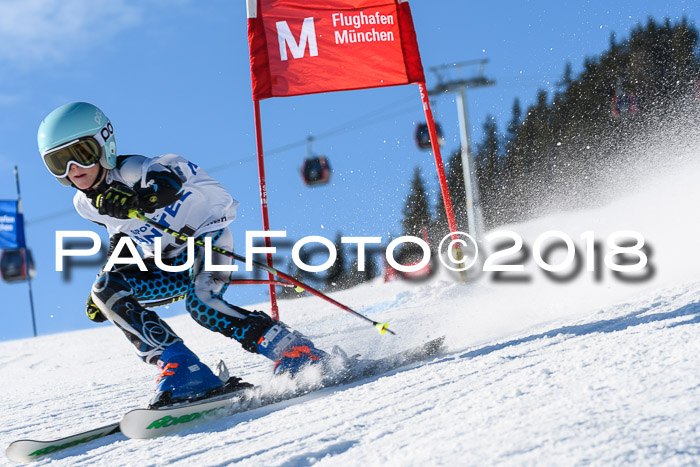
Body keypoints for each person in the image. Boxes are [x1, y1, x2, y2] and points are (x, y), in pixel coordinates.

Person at [37, 102, 328, 408]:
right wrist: (103, 289)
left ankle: (294, 350)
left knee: (202, 304)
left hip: (206, 237)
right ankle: (183, 367)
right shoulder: (85, 204)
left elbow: (168, 185)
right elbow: (120, 238)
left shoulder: (132, 169)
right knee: (105, 291)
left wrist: (139, 199)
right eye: (59, 163)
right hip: (169, 263)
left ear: (103, 144)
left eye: (80, 155)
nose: (73, 170)